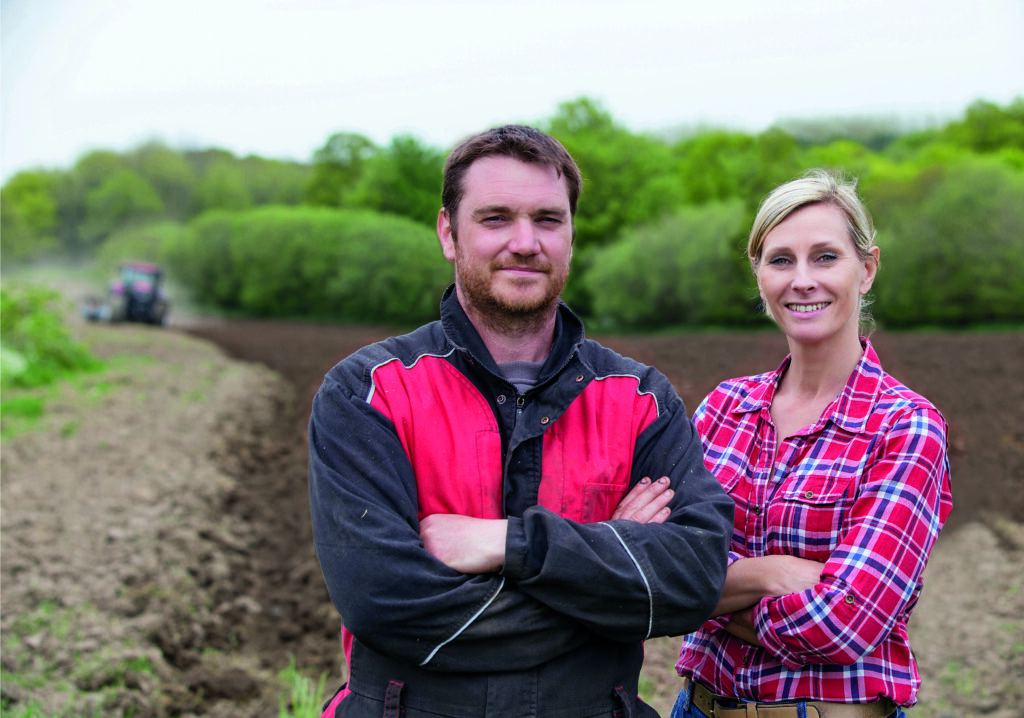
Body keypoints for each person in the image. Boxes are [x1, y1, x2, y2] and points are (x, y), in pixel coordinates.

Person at [308, 125, 734, 718]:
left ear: (571, 235)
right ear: (448, 233)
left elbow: (692, 579)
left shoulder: (640, 399)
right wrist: (611, 566)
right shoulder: (368, 391)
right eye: (496, 218)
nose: (525, 241)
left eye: (548, 219)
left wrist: (508, 544)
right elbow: (388, 604)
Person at [666, 170, 953, 718]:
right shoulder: (723, 408)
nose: (802, 280)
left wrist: (700, 597)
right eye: (780, 260)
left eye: (825, 257)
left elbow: (845, 622)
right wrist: (766, 573)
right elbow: (657, 564)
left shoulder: (907, 427)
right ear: (759, 275)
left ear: (866, 269)